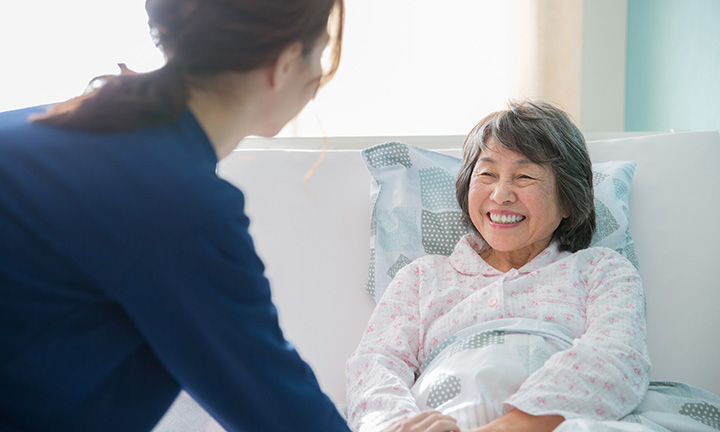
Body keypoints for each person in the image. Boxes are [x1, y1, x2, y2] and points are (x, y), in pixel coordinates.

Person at [0, 1, 351, 431]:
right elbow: (280, 408)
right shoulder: (178, 206)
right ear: (283, 64)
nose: (319, 75)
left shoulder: (51, 126)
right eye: (320, 53)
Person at [345, 100, 652, 432]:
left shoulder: (602, 270)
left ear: (567, 199)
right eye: (487, 174)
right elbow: (375, 367)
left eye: (523, 176)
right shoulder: (422, 277)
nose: (501, 194)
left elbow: (617, 357)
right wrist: (398, 426)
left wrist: (509, 427)